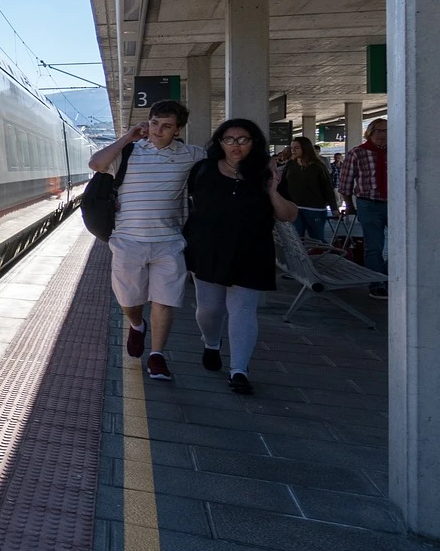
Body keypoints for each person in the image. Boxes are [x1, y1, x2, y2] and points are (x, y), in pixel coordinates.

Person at [87, 99, 203, 381]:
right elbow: (96, 163)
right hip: (128, 241)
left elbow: (220, 169)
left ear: (178, 130)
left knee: (164, 300)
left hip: (169, 241)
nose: (157, 130)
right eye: (154, 123)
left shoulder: (192, 155)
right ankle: (137, 325)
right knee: (129, 298)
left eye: (166, 126)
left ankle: (157, 356)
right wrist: (127, 137)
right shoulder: (128, 153)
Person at [183, 119, 298, 394]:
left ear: (254, 142)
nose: (236, 145)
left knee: (243, 310)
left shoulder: (268, 174)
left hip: (252, 250)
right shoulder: (203, 169)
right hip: (207, 249)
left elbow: (288, 215)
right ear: (219, 143)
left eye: (243, 139)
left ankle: (239, 370)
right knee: (209, 309)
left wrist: (272, 191)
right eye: (229, 139)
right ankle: (212, 343)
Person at [336, 117, 389, 298]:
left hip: (395, 204)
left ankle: (392, 278)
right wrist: (349, 204)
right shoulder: (358, 153)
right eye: (379, 131)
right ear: (370, 133)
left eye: (387, 131)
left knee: (402, 245)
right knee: (374, 246)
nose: (383, 135)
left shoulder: (398, 150)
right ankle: (377, 284)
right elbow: (345, 183)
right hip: (369, 204)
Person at [281, 136, 337, 241]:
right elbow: (283, 185)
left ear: (305, 148)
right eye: (292, 148)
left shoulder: (318, 166)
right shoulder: (291, 165)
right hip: (294, 207)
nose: (293, 150)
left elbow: (327, 187)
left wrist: (334, 207)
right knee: (295, 239)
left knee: (317, 239)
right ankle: (299, 258)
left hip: (315, 208)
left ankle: (322, 256)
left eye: (296, 148)